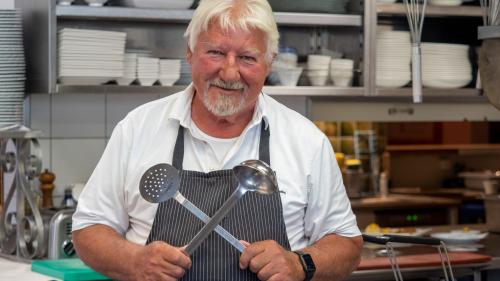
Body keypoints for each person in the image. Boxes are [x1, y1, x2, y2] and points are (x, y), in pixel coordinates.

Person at [72, 0, 363, 280]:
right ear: (189, 52)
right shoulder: (138, 129)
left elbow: (346, 244)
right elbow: (89, 229)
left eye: (247, 57)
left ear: (269, 62)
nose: (229, 72)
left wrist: (299, 264)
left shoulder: (306, 141)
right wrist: (134, 262)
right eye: (215, 53)